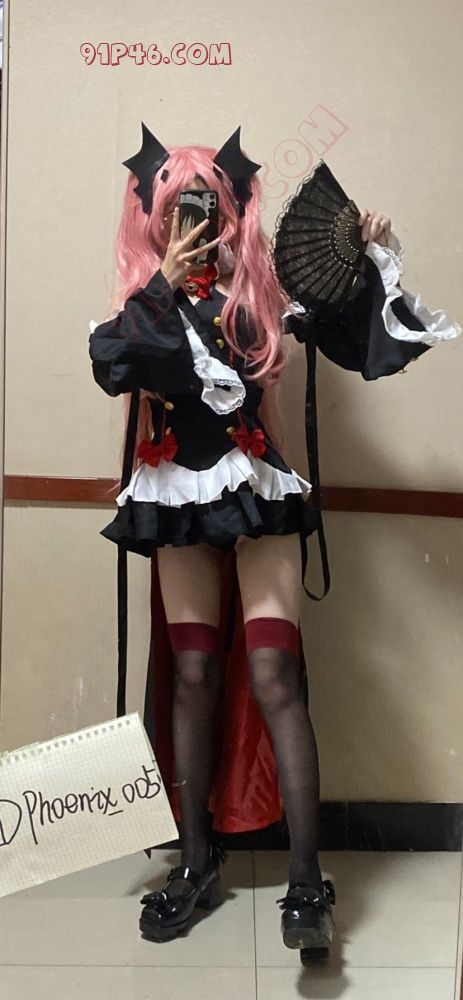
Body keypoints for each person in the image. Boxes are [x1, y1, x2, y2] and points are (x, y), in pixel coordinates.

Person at [88, 127, 460, 953]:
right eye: (177, 206)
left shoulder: (264, 294)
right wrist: (164, 282)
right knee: (191, 674)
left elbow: (362, 342)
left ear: (230, 209)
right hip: (177, 498)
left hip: (259, 496)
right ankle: (196, 863)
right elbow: (115, 364)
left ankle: (305, 881)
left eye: (205, 204)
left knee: (273, 673)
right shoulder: (142, 304)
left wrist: (364, 258)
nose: (192, 218)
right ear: (153, 214)